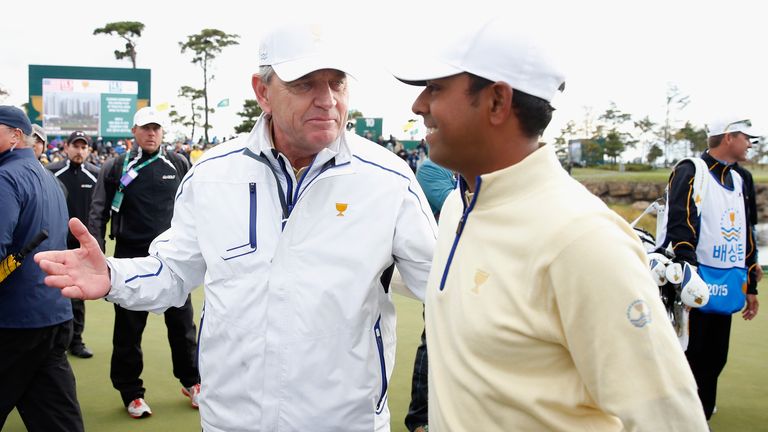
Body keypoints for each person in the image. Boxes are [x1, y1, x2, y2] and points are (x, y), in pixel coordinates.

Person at [36, 21, 436, 432]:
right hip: (231, 421)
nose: (327, 100)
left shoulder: (389, 180)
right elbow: (173, 270)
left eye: (337, 83)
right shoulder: (211, 174)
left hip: (345, 422)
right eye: (305, 84)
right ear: (262, 92)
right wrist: (113, 274)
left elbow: (443, 292)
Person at [392, 18, 708, 431]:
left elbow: (671, 420)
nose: (419, 104)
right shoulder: (458, 205)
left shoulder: (583, 240)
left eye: (435, 87)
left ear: (496, 102)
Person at [86, 107, 200, 418]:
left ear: (163, 133)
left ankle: (192, 381)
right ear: (134, 131)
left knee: (182, 326)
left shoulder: (178, 162)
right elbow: (98, 211)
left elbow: (191, 207)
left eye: (157, 128)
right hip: (130, 256)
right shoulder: (115, 165)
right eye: (145, 128)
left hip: (173, 258)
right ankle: (131, 392)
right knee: (128, 330)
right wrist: (96, 248)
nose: (151, 133)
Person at [660, 116, 761, 420]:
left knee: (715, 358)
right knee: (687, 356)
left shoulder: (742, 178)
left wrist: (752, 285)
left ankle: (701, 416)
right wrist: (687, 273)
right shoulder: (691, 169)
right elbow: (681, 223)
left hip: (728, 281)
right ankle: (678, 418)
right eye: (747, 138)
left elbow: (748, 231)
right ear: (728, 137)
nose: (750, 144)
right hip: (692, 282)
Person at [0, 106, 84, 431]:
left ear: (16, 135)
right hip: (53, 316)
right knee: (59, 420)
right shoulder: (48, 178)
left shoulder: (6, 176)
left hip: (13, 321)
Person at [405, 157, 455, 432]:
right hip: (444, 269)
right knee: (434, 342)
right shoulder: (433, 169)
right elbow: (463, 208)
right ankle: (420, 419)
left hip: (484, 273)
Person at [47, 131, 101, 359]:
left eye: (84, 147)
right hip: (55, 243)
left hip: (81, 246)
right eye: (75, 146)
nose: (79, 151)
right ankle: (52, 341)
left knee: (78, 295)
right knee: (52, 292)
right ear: (66, 147)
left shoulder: (96, 175)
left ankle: (75, 341)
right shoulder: (52, 173)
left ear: (88, 150)